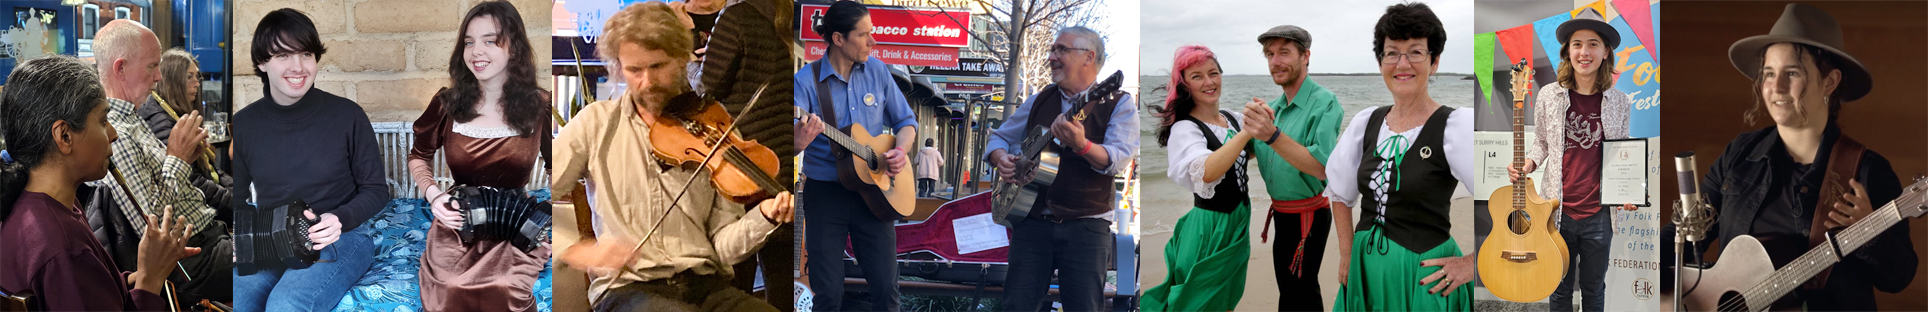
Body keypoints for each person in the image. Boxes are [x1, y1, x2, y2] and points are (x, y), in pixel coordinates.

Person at [551, 3, 794, 311]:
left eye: (658, 66)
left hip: (706, 285)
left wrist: (765, 217)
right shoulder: (595, 124)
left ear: (681, 59)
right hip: (629, 290)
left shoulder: (715, 131)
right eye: (634, 70)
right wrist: (578, 251)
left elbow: (723, 248)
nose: (647, 82)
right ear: (618, 66)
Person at [1680, 4, 1916, 310]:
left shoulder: (1867, 171)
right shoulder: (1739, 154)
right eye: (1768, 73)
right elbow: (1688, 235)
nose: (1775, 87)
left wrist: (1870, 234)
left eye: (1792, 73)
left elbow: (1899, 277)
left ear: (1829, 82)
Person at [0, 55, 196, 311]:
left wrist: (146, 270)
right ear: (64, 136)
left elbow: (90, 291)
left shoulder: (39, 207)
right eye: (104, 121)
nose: (113, 134)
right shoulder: (64, 248)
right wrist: (151, 280)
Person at [231, 8, 388, 311]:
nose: (297, 66)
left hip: (340, 236)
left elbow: (377, 189)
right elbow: (234, 199)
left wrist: (340, 218)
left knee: (286, 304)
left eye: (305, 54)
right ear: (262, 63)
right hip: (270, 238)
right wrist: (237, 237)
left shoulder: (348, 116)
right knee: (240, 298)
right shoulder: (245, 124)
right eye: (283, 56)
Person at [1325, 3, 1476, 310]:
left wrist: (1473, 264)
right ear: (1381, 62)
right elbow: (1340, 192)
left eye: (1416, 52)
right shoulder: (1366, 122)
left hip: (1423, 277)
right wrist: (1346, 253)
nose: (1402, 63)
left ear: (1434, 63)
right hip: (1366, 271)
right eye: (1392, 52)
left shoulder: (1455, 126)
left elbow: (1511, 201)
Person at [984, 25, 1140, 312]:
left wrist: (1082, 145)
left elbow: (1117, 159)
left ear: (1088, 57)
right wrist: (1000, 158)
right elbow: (999, 137)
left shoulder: (1116, 102)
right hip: (1031, 223)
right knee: (1016, 307)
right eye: (1052, 49)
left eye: (1061, 50)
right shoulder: (1038, 100)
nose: (1052, 57)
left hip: (1086, 226)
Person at [412, 2, 553, 311]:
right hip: (459, 217)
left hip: (515, 221)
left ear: (514, 48)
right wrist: (434, 196)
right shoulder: (446, 103)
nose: (476, 51)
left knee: (505, 286)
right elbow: (418, 155)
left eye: (490, 40)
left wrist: (557, 219)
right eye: (469, 42)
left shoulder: (541, 104)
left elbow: (561, 168)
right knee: (450, 286)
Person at [87, 19, 231, 303]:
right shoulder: (117, 132)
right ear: (120, 68)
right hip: (191, 265)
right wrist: (177, 158)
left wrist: (185, 157)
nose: (158, 77)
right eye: (152, 66)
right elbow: (152, 228)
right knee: (294, 253)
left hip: (210, 241)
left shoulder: (134, 117)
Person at [1503, 8, 1631, 312]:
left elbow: (1623, 154)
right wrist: (1528, 165)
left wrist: (1628, 192)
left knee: (1594, 289)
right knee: (1558, 288)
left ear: (1605, 52)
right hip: (1555, 210)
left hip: (1600, 214)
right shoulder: (1549, 95)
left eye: (1592, 44)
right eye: (1577, 44)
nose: (1584, 52)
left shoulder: (1621, 102)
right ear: (1567, 51)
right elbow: (1542, 143)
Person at [793, 1, 915, 311]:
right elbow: (789, 147)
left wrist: (900, 151)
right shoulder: (805, 81)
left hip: (874, 193)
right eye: (864, 35)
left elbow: (906, 122)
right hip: (825, 196)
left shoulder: (877, 71)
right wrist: (799, 141)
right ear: (838, 39)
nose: (873, 42)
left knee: (887, 291)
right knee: (828, 294)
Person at [1238, 25, 1345, 312]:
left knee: (1300, 292)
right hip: (1282, 215)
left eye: (1284, 52)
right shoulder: (1274, 107)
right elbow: (1244, 152)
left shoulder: (1325, 103)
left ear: (1305, 56)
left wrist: (1271, 134)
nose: (1275, 62)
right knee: (1291, 291)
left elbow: (1322, 168)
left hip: (1308, 215)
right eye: (1270, 54)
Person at [698, 0, 795, 305]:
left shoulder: (737, 17)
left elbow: (706, 90)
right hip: (782, 163)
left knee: (733, 285)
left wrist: (689, 61)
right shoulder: (792, 18)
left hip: (741, 163)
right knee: (780, 286)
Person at [1142, 45, 1251, 312]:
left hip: (1238, 222)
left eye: (1213, 73)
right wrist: (1247, 134)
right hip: (1208, 227)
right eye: (1197, 76)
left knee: (1227, 299)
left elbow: (1246, 153)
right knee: (1200, 302)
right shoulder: (1185, 127)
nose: (1209, 82)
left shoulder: (1231, 118)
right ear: (1184, 85)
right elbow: (1206, 171)